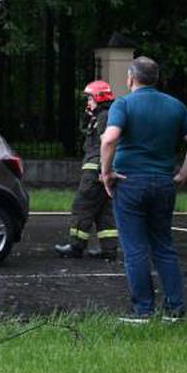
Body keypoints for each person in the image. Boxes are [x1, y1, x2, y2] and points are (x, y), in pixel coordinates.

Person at [99, 56, 187, 322]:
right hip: (163, 182)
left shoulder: (122, 104)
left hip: (129, 182)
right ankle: (175, 308)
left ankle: (143, 310)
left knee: (134, 248)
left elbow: (110, 138)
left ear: (130, 78)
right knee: (163, 246)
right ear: (156, 79)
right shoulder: (175, 106)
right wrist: (182, 175)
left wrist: (106, 173)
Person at [54, 80, 118, 260]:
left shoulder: (104, 117)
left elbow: (108, 143)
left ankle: (75, 246)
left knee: (82, 206)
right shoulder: (101, 116)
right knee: (103, 211)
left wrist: (102, 170)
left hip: (95, 170)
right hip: (100, 169)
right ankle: (109, 250)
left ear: (98, 97)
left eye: (89, 98)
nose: (87, 102)